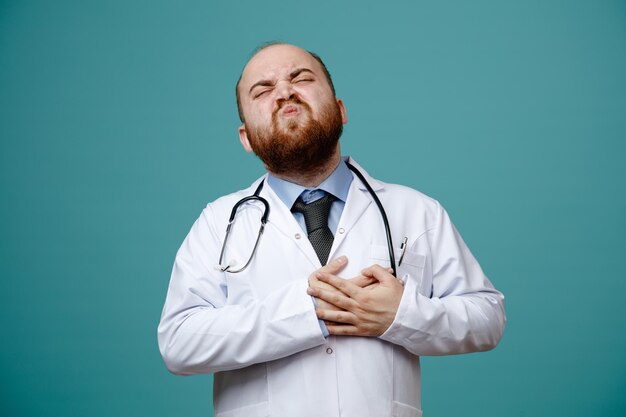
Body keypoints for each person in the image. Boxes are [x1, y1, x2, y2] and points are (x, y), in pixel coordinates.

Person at [158, 42, 506, 417]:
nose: (284, 92)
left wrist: (401, 315)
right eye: (263, 90)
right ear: (245, 137)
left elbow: (487, 317)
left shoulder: (415, 211)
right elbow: (179, 344)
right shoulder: (218, 223)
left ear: (340, 112)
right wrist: (307, 311)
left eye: (301, 78)